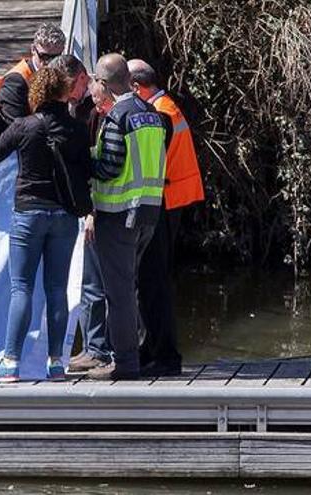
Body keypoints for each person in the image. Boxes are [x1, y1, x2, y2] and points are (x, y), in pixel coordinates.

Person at [0, 68, 92, 382]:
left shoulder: (23, 126)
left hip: (29, 215)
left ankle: (10, 364)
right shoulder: (77, 129)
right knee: (57, 290)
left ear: (35, 93)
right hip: (64, 217)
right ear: (64, 93)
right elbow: (90, 170)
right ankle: (56, 365)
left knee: (22, 288)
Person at [84, 54, 170, 381]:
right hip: (149, 212)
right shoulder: (150, 112)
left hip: (118, 214)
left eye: (95, 80)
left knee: (118, 293)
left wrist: (83, 161)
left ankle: (124, 362)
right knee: (129, 287)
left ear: (103, 84)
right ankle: (133, 353)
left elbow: (110, 167)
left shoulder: (118, 116)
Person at [128, 59, 205, 377]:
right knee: (150, 280)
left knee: (152, 281)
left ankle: (164, 355)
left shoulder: (160, 114)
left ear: (136, 87)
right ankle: (151, 348)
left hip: (165, 201)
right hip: (171, 198)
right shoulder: (165, 106)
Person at [68, 76, 116, 373]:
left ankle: (98, 350)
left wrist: (90, 212)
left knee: (95, 285)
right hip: (117, 213)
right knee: (102, 286)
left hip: (104, 212)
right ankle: (99, 348)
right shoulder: (119, 117)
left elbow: (106, 170)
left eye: (98, 100)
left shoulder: (115, 120)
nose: (95, 107)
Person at [0, 22, 65, 124]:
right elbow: (17, 127)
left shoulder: (60, 74)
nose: (49, 63)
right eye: (44, 57)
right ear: (33, 49)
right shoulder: (15, 81)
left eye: (55, 58)